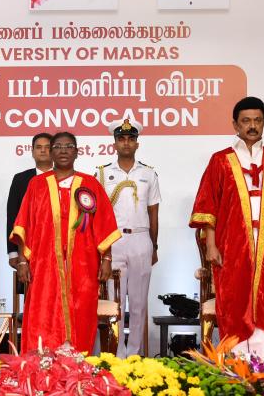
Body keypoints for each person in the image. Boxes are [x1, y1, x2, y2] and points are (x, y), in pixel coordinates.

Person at [189, 97, 264, 356]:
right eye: (246, 121)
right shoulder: (221, 161)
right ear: (235, 124)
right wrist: (211, 245)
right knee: (234, 297)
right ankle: (235, 359)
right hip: (232, 244)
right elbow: (209, 207)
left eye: (257, 120)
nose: (252, 126)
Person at [11, 131, 120, 353]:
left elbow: (104, 224)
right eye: (58, 146)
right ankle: (40, 364)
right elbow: (24, 224)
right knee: (42, 312)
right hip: (43, 265)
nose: (63, 150)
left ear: (77, 152)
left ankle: (78, 365)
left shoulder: (90, 184)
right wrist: (23, 261)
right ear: (51, 152)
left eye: (68, 146)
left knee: (81, 312)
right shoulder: (37, 185)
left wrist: (106, 258)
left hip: (82, 264)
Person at [96, 119, 160, 358]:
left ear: (137, 143)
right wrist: (102, 250)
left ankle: (135, 354)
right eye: (121, 139)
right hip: (114, 242)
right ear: (114, 143)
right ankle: (116, 353)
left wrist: (154, 246)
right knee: (115, 303)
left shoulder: (148, 173)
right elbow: (98, 215)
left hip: (141, 240)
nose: (126, 143)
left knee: (138, 302)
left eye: (130, 139)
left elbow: (153, 213)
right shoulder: (102, 173)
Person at [7, 132, 53, 269]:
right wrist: (13, 252)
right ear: (32, 152)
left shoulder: (64, 177)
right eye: (39, 147)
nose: (43, 150)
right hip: (28, 249)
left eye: (47, 147)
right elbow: (12, 215)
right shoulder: (20, 179)